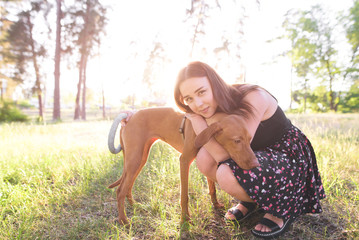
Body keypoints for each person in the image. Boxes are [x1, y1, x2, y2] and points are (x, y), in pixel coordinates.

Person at [122, 61, 326, 239]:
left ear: (215, 85)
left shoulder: (252, 98)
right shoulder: (212, 105)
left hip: (286, 156)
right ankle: (251, 201)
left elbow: (224, 156)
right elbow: (179, 109)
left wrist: (197, 120)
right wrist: (137, 115)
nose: (197, 104)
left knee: (225, 172)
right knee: (203, 158)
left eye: (201, 92)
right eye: (189, 99)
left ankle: (281, 207)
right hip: (259, 154)